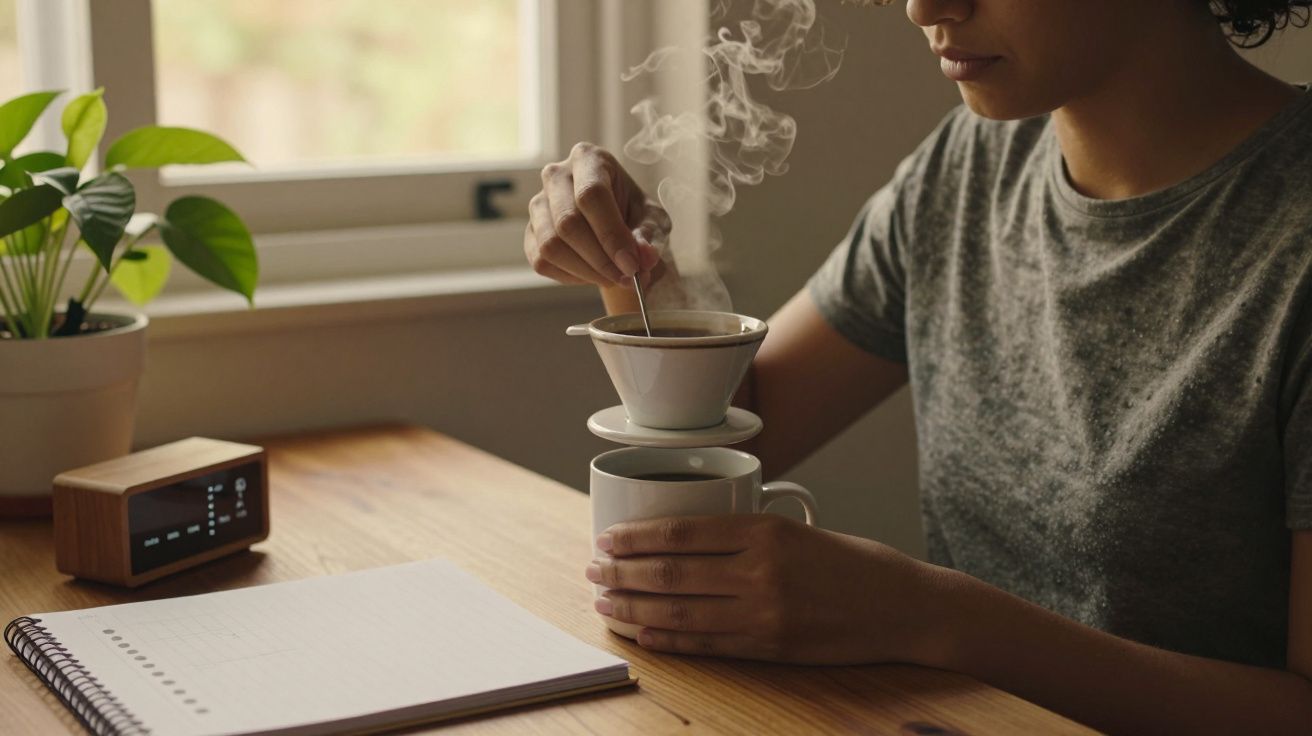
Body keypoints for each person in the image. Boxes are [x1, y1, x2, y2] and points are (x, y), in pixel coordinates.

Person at [523, 1, 1312, 731]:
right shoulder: (970, 167)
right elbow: (741, 432)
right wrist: (629, 265)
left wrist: (933, 619)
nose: (923, 8)